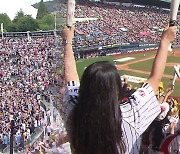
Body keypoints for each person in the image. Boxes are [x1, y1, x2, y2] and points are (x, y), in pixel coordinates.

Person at [62, 25, 176, 154]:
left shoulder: (73, 111)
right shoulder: (131, 114)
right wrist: (165, 41)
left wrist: (68, 42)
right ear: (116, 92)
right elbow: (155, 79)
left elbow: (70, 78)